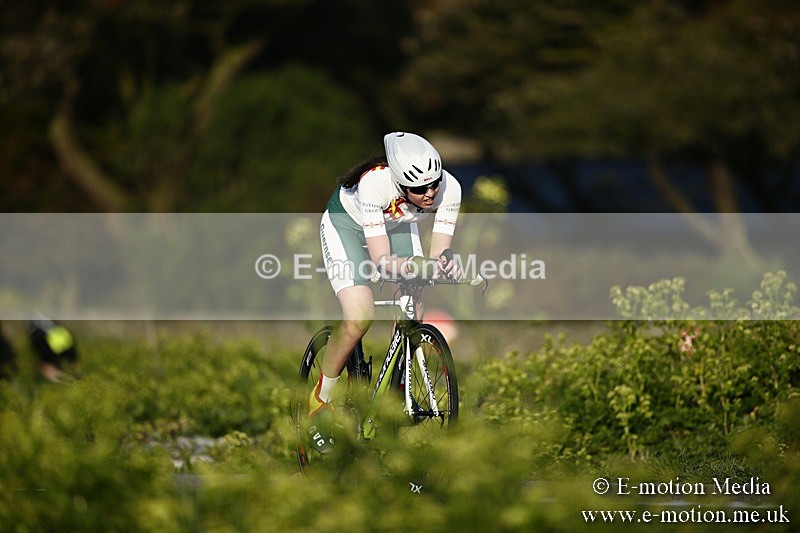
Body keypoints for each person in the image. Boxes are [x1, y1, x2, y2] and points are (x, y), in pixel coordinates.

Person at [310, 131, 462, 454]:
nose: (431, 194)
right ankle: (321, 400)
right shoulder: (373, 185)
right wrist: (409, 266)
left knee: (412, 304)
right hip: (346, 226)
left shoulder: (449, 189)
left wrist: (446, 264)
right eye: (420, 189)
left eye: (434, 184)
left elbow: (439, 254)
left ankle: (398, 389)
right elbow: (382, 261)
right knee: (359, 316)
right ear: (399, 182)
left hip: (395, 224)